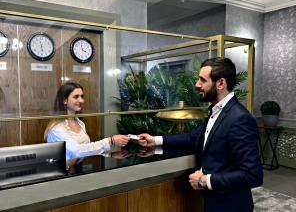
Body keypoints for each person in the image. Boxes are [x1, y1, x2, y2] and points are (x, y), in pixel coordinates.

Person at [138, 58, 263, 212]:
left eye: (202, 80)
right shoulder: (216, 111)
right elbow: (193, 138)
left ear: (221, 83)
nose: (197, 84)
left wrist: (206, 180)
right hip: (213, 202)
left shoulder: (240, 118)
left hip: (231, 206)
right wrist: (156, 140)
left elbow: (253, 175)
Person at [44, 81, 129, 161]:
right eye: (76, 97)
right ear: (64, 100)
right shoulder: (56, 128)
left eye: (82, 96)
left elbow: (87, 150)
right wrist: (110, 141)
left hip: (79, 171)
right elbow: (76, 151)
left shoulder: (80, 123)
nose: (81, 100)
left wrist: (110, 155)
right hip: (64, 174)